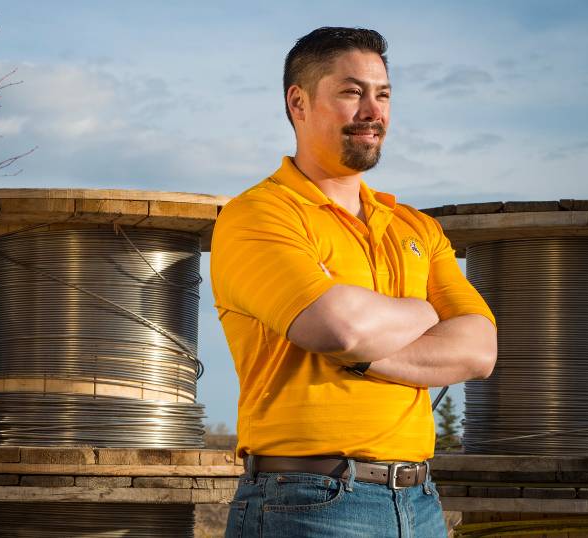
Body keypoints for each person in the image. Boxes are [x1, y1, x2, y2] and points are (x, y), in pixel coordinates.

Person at [210, 27, 497, 537]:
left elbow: (478, 350)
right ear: (298, 102)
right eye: (351, 92)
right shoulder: (258, 215)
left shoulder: (415, 226)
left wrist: (366, 354)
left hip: (421, 502)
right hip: (306, 503)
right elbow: (335, 328)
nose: (373, 110)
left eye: (383, 94)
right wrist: (424, 311)